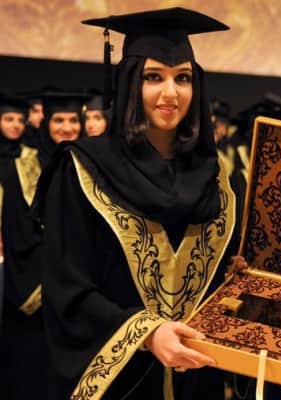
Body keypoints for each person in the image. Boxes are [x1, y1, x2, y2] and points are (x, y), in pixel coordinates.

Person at [34, 8, 237, 400]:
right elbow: (66, 288)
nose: (170, 93)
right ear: (129, 82)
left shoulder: (218, 178)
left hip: (198, 374)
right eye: (153, 77)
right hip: (122, 381)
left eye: (183, 78)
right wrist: (146, 333)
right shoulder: (81, 170)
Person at [0, 93, 47, 399]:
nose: (15, 125)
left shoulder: (31, 158)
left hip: (22, 256)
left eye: (20, 119)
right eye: (8, 119)